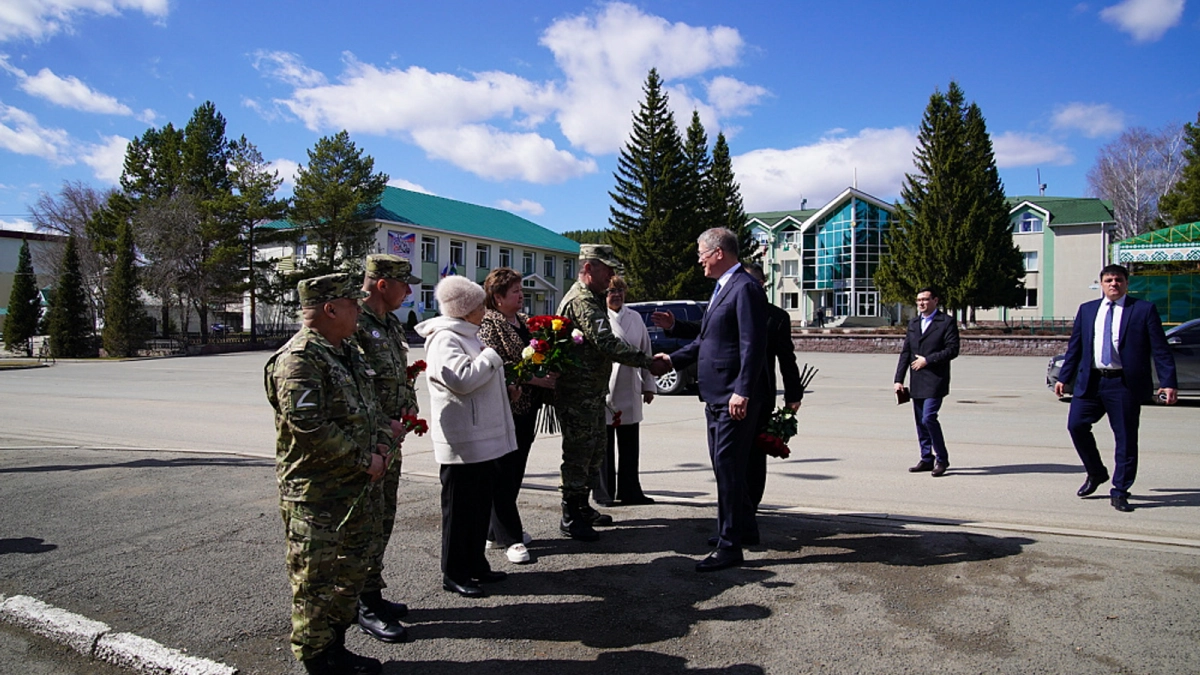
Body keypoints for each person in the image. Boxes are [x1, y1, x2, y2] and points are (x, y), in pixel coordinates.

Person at [264, 273, 388, 675]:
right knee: (315, 582)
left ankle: (336, 649)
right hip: (317, 494)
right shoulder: (299, 359)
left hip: (356, 489)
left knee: (351, 574)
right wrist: (363, 459)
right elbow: (310, 427)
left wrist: (382, 443)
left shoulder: (348, 351)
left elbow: (373, 406)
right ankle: (317, 660)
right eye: (354, 303)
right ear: (330, 309)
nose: (360, 309)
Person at [657, 228, 767, 572]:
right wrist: (672, 361)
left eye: (702, 253)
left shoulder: (745, 288)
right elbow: (709, 340)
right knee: (727, 467)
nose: (699, 260)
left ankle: (729, 546)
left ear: (719, 253)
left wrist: (742, 390)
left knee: (728, 469)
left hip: (732, 396)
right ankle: (742, 529)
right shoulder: (723, 288)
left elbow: (753, 345)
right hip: (716, 393)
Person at [555, 244, 670, 542]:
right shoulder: (582, 301)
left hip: (592, 392)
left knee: (593, 453)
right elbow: (605, 342)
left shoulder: (592, 298)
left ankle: (582, 507)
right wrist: (647, 362)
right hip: (578, 393)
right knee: (578, 454)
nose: (611, 277)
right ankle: (570, 515)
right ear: (588, 268)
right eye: (607, 270)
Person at [415, 276, 516, 598]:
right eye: (479, 307)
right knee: (460, 511)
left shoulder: (467, 335)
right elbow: (460, 380)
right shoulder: (446, 339)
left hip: (480, 439)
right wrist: (491, 358)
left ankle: (475, 564)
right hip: (464, 442)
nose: (484, 312)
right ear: (466, 309)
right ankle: (455, 572)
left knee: (477, 506)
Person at [1054, 264, 1177, 513]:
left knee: (1125, 439)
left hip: (1124, 384)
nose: (1113, 284)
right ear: (1101, 284)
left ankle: (1120, 490)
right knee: (1076, 425)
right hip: (1091, 382)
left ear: (1126, 283)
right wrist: (1063, 377)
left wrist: (1168, 382)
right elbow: (1075, 347)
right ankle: (1096, 472)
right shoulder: (1088, 310)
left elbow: (1160, 349)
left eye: (1118, 280)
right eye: (1108, 280)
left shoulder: (1143, 310)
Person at [353, 254, 421, 643]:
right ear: (382, 284)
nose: (409, 291)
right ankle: (361, 602)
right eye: (404, 283)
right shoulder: (354, 322)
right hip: (368, 441)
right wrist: (383, 422)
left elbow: (396, 373)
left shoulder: (389, 322)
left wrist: (410, 403)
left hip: (390, 439)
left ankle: (372, 593)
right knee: (366, 523)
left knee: (384, 518)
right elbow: (356, 384)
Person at [478, 267, 556, 564]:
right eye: (515, 292)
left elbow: (539, 352)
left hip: (528, 407)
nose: (521, 296)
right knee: (503, 473)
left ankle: (493, 531)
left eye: (522, 290)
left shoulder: (524, 322)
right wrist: (532, 379)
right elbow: (494, 364)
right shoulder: (490, 324)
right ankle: (509, 538)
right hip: (505, 407)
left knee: (515, 470)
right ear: (497, 297)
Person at [595, 275, 657, 507]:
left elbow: (646, 350)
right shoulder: (598, 317)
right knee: (605, 444)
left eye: (620, 290)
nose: (617, 295)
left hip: (630, 385)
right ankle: (603, 492)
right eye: (612, 291)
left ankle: (631, 490)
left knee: (630, 444)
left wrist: (648, 386)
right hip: (606, 387)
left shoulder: (635, 317)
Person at [893, 287, 959, 478]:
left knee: (928, 418)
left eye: (925, 299)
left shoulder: (946, 322)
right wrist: (898, 380)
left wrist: (928, 360)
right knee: (920, 423)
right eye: (918, 300)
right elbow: (906, 352)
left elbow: (953, 349)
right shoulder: (914, 324)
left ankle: (942, 459)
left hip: (936, 379)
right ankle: (926, 458)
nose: (921, 303)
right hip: (917, 380)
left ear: (935, 301)